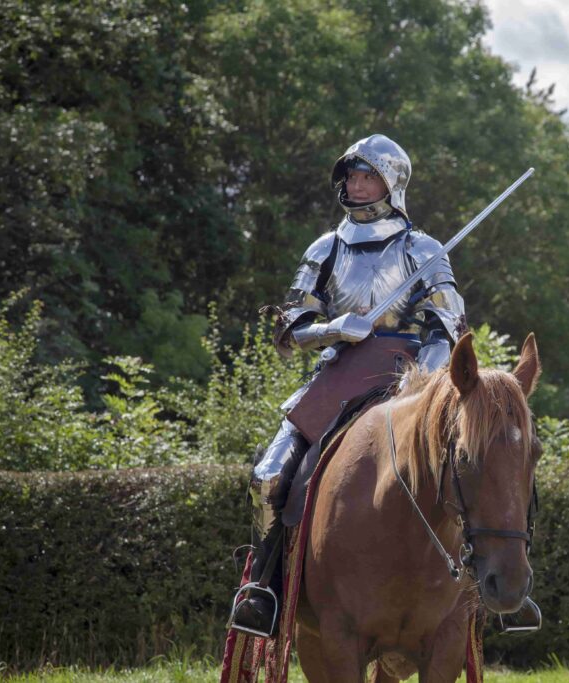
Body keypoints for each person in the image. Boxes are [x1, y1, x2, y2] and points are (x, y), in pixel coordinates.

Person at [227, 134, 467, 637]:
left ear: (392, 182)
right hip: (340, 373)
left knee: (482, 463)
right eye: (351, 177)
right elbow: (289, 329)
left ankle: (487, 589)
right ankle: (263, 593)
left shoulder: (422, 248)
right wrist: (335, 329)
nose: (357, 186)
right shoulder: (327, 248)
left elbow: (446, 325)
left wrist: (419, 388)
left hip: (411, 373)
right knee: (268, 476)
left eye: (368, 176)